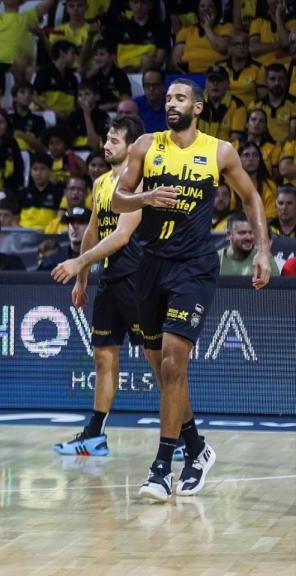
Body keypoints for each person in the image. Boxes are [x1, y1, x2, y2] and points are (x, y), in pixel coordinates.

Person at [111, 78, 272, 502]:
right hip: (151, 265)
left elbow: (252, 198)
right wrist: (146, 197)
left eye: (180, 98)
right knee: (158, 367)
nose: (171, 103)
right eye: (167, 98)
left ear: (197, 107)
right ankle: (197, 447)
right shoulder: (146, 145)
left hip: (195, 268)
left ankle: (162, 467)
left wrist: (263, 249)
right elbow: (117, 200)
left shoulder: (219, 151)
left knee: (172, 363)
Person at [50, 116, 168, 457]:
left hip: (139, 279)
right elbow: (93, 229)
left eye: (114, 140)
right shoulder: (101, 182)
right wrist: (82, 278)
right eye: (106, 138)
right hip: (110, 281)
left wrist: (79, 262)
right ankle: (95, 435)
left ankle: (177, 432)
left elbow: (120, 236)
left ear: (131, 146)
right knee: (103, 356)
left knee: (156, 359)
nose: (106, 145)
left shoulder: (141, 182)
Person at [198, 65, 247, 142]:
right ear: (206, 83)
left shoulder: (238, 106)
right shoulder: (196, 102)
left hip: (224, 151)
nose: (215, 84)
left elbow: (236, 140)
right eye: (212, 80)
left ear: (228, 84)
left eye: (219, 80)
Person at [37, 206, 88, 270]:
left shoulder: (101, 259)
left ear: (92, 227)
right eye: (71, 222)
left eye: (81, 222)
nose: (74, 227)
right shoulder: (52, 262)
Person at [133, 68, 169, 133]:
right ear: (143, 86)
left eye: (155, 85)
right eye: (147, 85)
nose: (151, 89)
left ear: (163, 86)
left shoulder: (171, 104)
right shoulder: (135, 105)